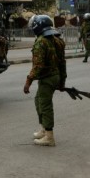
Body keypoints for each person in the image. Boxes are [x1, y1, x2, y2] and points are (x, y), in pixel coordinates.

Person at [24, 15, 67, 147]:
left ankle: (49, 137)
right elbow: (62, 63)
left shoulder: (41, 41)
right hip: (55, 76)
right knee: (39, 101)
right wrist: (62, 81)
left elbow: (38, 65)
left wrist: (28, 81)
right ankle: (44, 129)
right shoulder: (57, 40)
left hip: (47, 78)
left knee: (45, 105)